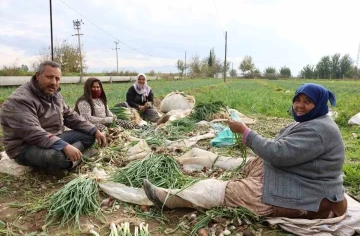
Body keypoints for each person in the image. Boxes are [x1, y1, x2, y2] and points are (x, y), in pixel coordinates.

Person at [143, 83, 347, 219]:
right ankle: (222, 172)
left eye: (307, 102)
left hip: (310, 193)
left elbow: (277, 153)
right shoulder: (311, 122)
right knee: (257, 162)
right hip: (300, 177)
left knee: (235, 192)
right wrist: (250, 136)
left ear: (318, 104)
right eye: (298, 100)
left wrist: (245, 132)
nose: (300, 106)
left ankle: (171, 198)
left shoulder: (319, 130)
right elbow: (278, 148)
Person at [0, 61, 106, 174]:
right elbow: (32, 132)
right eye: (49, 77)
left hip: (53, 137)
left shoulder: (55, 94)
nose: (54, 82)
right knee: (57, 157)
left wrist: (94, 130)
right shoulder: (20, 99)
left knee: (89, 135)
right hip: (25, 147)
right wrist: (63, 145)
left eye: (57, 79)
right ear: (37, 76)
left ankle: (72, 159)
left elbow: (71, 116)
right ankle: (75, 159)